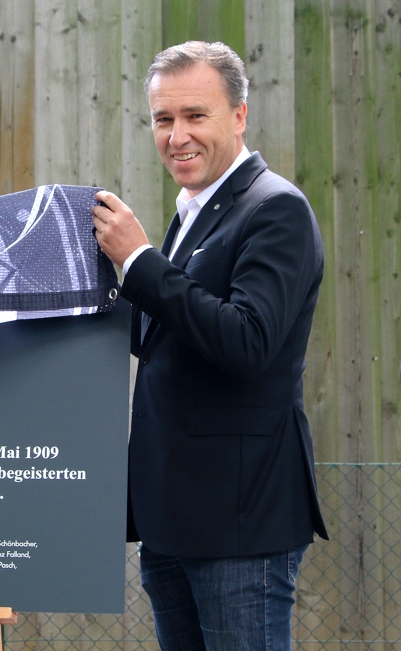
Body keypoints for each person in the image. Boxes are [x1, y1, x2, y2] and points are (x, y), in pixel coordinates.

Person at [91, 41, 328, 650]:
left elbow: (248, 341)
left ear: (240, 115)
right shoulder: (195, 211)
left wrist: (140, 262)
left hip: (238, 523)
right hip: (173, 518)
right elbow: (173, 338)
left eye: (195, 115)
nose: (177, 136)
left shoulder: (275, 210)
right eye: (163, 119)